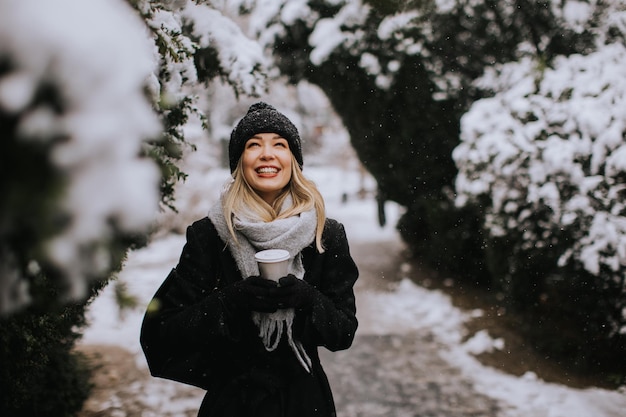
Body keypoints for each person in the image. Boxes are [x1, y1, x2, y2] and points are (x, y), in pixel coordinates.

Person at [140, 102, 359, 417]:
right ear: (239, 163)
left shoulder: (325, 235)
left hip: (304, 403)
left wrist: (309, 299)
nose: (267, 154)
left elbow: (343, 332)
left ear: (293, 162)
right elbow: (161, 334)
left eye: (279, 145)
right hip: (233, 403)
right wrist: (229, 302)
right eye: (253, 145)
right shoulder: (210, 236)